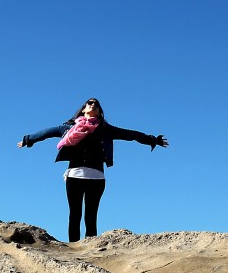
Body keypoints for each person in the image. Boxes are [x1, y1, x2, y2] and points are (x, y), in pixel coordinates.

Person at [18, 98, 168, 242]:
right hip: (74, 176)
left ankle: (90, 248)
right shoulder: (68, 128)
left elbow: (130, 134)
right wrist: (28, 139)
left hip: (96, 178)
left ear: (99, 111)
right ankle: (74, 248)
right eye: (89, 103)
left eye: (96, 104)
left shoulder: (105, 129)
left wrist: (153, 140)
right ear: (83, 109)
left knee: (91, 216)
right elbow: (47, 133)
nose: (92, 105)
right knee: (74, 214)